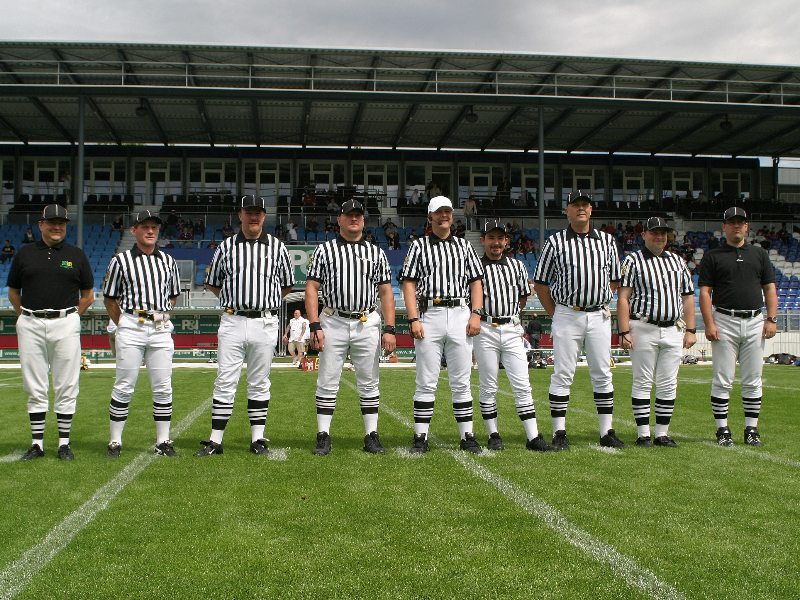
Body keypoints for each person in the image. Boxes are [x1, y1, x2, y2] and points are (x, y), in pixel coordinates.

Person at [195, 195, 294, 457]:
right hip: (233, 320)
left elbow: (286, 286)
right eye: (249, 212)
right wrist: (236, 301)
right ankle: (215, 440)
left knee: (259, 381)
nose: (254, 217)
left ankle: (258, 438)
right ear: (240, 214)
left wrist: (263, 302)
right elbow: (213, 283)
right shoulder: (226, 247)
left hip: (264, 320)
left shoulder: (277, 247)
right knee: (225, 379)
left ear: (264, 216)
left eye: (258, 212)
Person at [305, 199, 397, 455]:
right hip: (333, 319)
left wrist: (390, 328)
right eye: (349, 215)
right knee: (327, 379)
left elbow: (386, 292)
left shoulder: (376, 252)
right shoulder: (324, 251)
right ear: (339, 220)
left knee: (369, 381)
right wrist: (314, 324)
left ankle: (371, 434)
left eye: (358, 215)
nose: (354, 219)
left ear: (364, 220)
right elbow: (312, 287)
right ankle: (323, 434)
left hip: (366, 321)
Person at [533, 191, 623, 450]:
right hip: (567, 312)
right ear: (567, 210)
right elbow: (540, 284)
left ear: (591, 210)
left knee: (603, 373)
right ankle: (559, 432)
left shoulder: (607, 241)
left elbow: (615, 280)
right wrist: (557, 313)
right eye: (576, 205)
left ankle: (607, 431)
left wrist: (598, 297)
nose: (581, 208)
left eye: (585, 204)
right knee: (562, 373)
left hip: (598, 314)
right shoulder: (555, 242)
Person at [7, 204, 93, 461]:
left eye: (62, 223)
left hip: (65, 321)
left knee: (67, 384)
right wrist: (24, 316)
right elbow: (13, 291)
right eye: (52, 222)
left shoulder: (76, 254)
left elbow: (88, 295)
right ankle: (37, 444)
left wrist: (72, 317)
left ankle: (64, 444)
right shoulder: (24, 254)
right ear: (40, 224)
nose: (57, 227)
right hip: (31, 322)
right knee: (34, 385)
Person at [399, 195, 484, 454]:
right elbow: (409, 283)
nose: (444, 215)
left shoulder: (464, 246)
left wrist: (476, 313)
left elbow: (476, 281)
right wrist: (413, 318)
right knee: (426, 380)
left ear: (452, 215)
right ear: (430, 217)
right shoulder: (418, 246)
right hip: (430, 312)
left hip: (459, 312)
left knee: (462, 380)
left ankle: (467, 435)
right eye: (439, 212)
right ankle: (420, 437)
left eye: (447, 211)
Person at [103, 210, 182, 458]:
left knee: (163, 387)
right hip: (131, 323)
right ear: (134, 230)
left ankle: (163, 440)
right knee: (124, 385)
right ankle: (115, 441)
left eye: (154, 227)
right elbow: (109, 298)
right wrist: (124, 323)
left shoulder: (168, 261)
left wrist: (161, 316)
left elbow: (173, 296)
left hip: (159, 326)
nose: (150, 231)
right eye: (145, 226)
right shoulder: (120, 260)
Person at [697, 207, 778, 447]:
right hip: (724, 320)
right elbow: (705, 292)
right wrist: (709, 323)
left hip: (754, 320)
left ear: (746, 226)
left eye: (740, 222)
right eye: (731, 222)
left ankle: (751, 429)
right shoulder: (713, 256)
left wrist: (771, 319)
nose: (736, 226)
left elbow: (769, 288)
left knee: (753, 379)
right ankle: (722, 429)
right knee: (723, 379)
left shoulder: (759, 254)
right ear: (724, 226)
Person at [616, 217, 697, 448]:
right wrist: (624, 331)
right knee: (642, 381)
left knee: (668, 382)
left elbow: (687, 297)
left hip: (672, 328)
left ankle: (662, 433)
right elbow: (623, 297)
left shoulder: (677, 261)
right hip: (643, 326)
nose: (660, 237)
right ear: (644, 235)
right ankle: (643, 434)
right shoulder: (632, 260)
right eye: (654, 233)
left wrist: (691, 330)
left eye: (663, 233)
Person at [473, 220, 552, 452]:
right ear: (483, 240)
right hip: (485, 328)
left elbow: (523, 296)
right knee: (488, 384)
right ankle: (493, 434)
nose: (496, 243)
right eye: (491, 238)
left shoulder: (517, 266)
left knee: (522, 384)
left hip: (510, 328)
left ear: (507, 240)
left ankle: (533, 436)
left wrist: (510, 315)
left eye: (500, 238)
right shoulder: (475, 267)